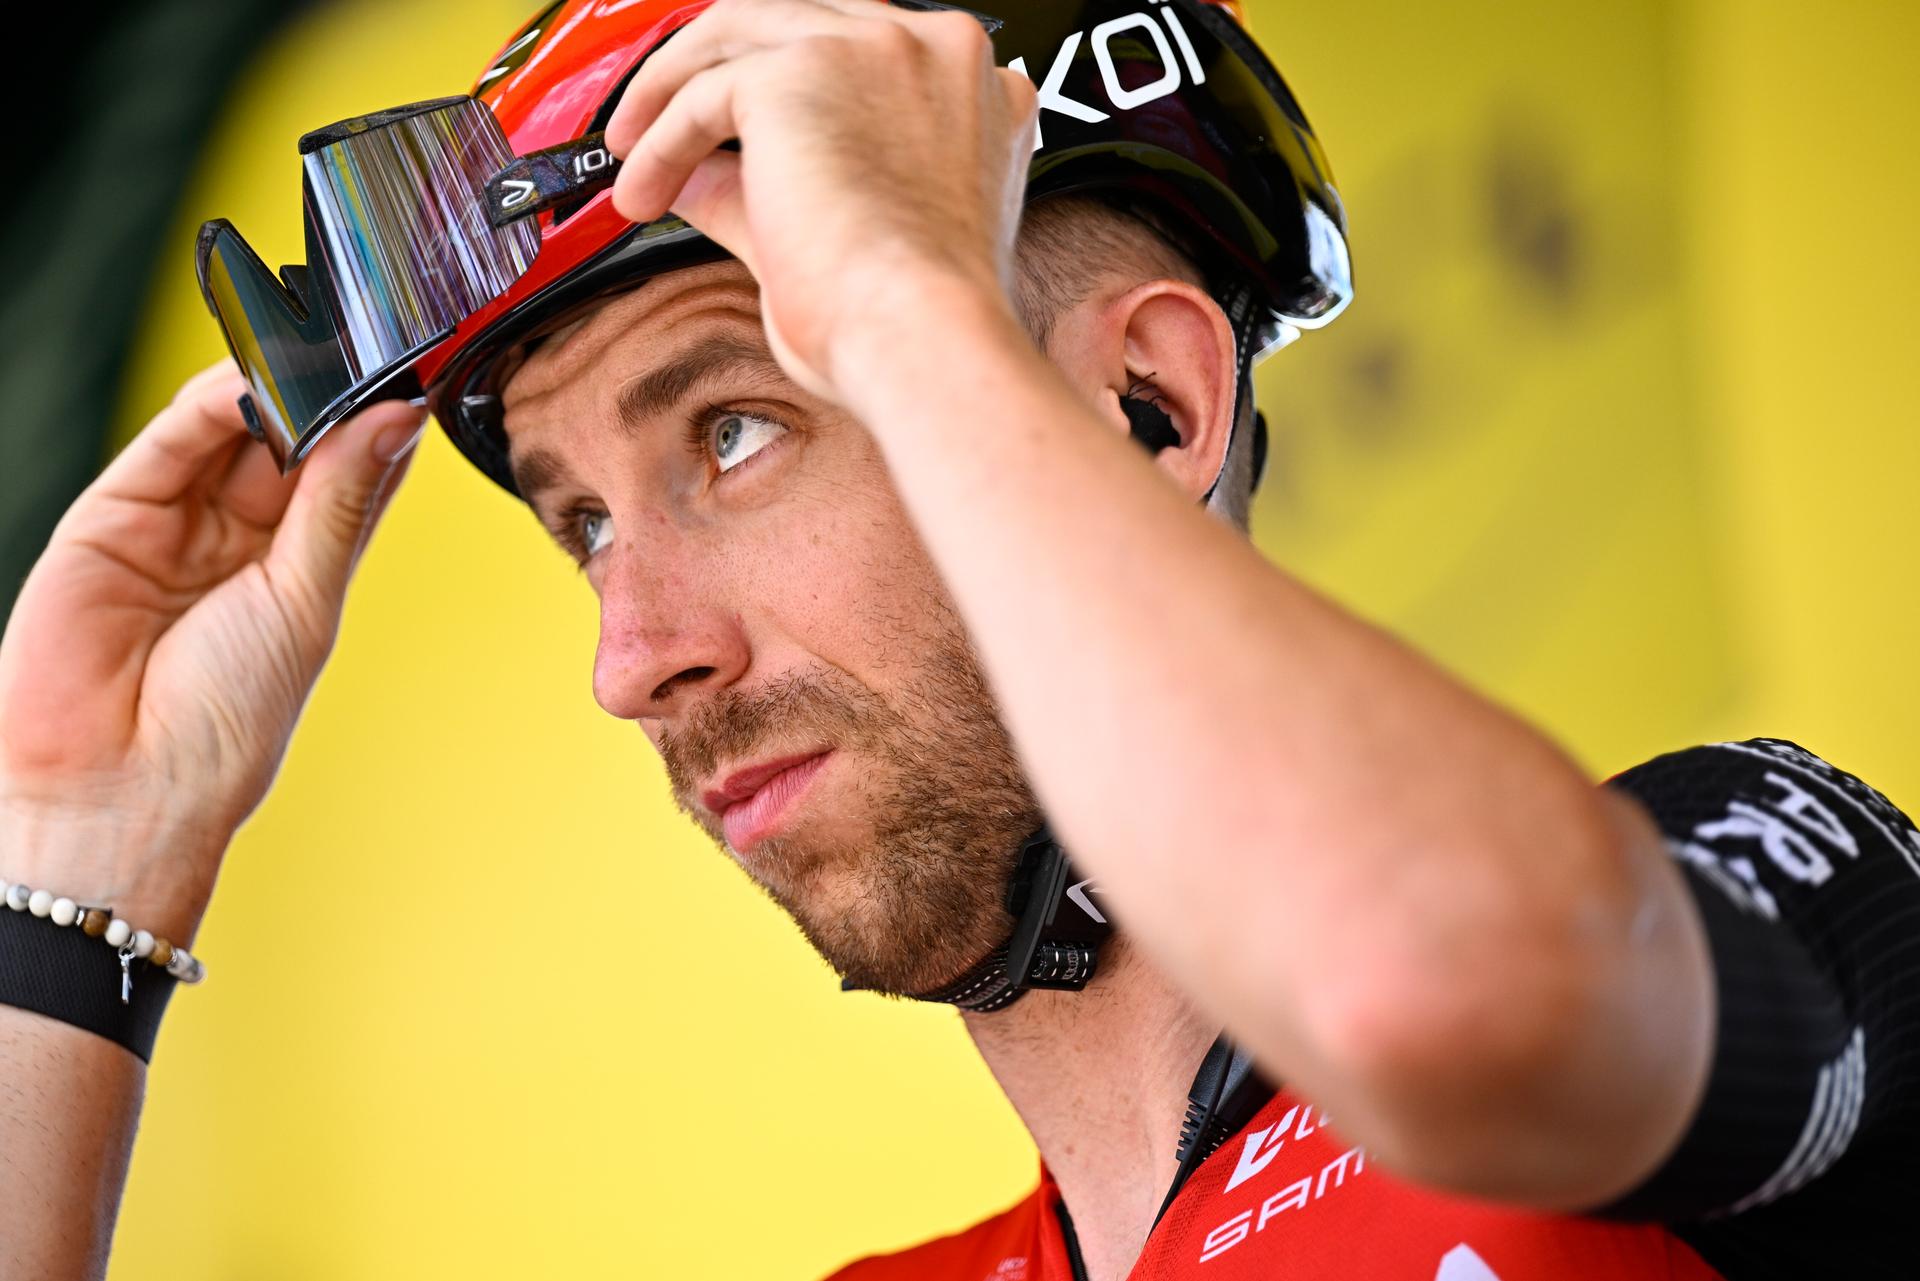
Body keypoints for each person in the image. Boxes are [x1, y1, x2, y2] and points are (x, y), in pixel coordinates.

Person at [0, 1, 1914, 1278]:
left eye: (736, 425)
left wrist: (899, 292)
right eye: (583, 520)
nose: (629, 652)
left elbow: (1445, 991)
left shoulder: (1736, 879)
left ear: (1152, 406)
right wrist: (82, 866)